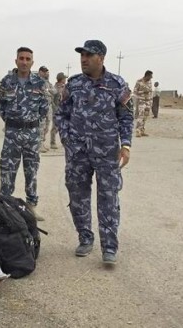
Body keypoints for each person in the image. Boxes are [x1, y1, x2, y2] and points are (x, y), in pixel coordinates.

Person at [54, 40, 133, 265]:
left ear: (101, 58)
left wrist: (125, 145)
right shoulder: (74, 84)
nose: (84, 59)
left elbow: (126, 116)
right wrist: (67, 139)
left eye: (89, 55)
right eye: (82, 55)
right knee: (77, 195)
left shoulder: (117, 84)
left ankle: (109, 247)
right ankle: (85, 237)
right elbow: (61, 114)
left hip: (107, 152)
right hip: (78, 152)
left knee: (108, 197)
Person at [0, 47, 49, 219]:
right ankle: (4, 206)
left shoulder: (40, 83)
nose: (24, 62)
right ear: (16, 61)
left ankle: (31, 206)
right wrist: (14, 122)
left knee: (31, 170)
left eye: (28, 59)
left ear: (32, 62)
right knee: (7, 171)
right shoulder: (6, 82)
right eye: (21, 58)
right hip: (12, 134)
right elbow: (1, 107)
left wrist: (29, 122)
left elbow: (44, 108)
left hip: (32, 134)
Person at [38, 65, 57, 153]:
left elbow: (55, 91)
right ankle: (39, 144)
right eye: (44, 71)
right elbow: (42, 91)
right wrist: (48, 91)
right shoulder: (36, 81)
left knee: (47, 125)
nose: (45, 73)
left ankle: (42, 142)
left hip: (48, 106)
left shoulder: (47, 82)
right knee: (41, 126)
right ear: (40, 72)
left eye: (46, 71)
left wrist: (48, 90)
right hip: (41, 106)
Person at [50, 72, 68, 149]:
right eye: (64, 78)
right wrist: (55, 110)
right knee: (55, 127)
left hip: (64, 110)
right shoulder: (55, 88)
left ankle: (65, 142)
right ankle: (52, 142)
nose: (65, 80)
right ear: (61, 79)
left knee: (65, 126)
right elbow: (52, 100)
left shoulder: (65, 87)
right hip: (57, 110)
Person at [134, 70, 153, 136]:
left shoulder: (150, 82)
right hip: (141, 101)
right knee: (140, 116)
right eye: (150, 76)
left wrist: (151, 101)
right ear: (147, 75)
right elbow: (135, 91)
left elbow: (150, 91)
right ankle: (138, 131)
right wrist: (143, 92)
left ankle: (142, 130)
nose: (151, 77)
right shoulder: (139, 82)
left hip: (148, 101)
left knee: (145, 117)